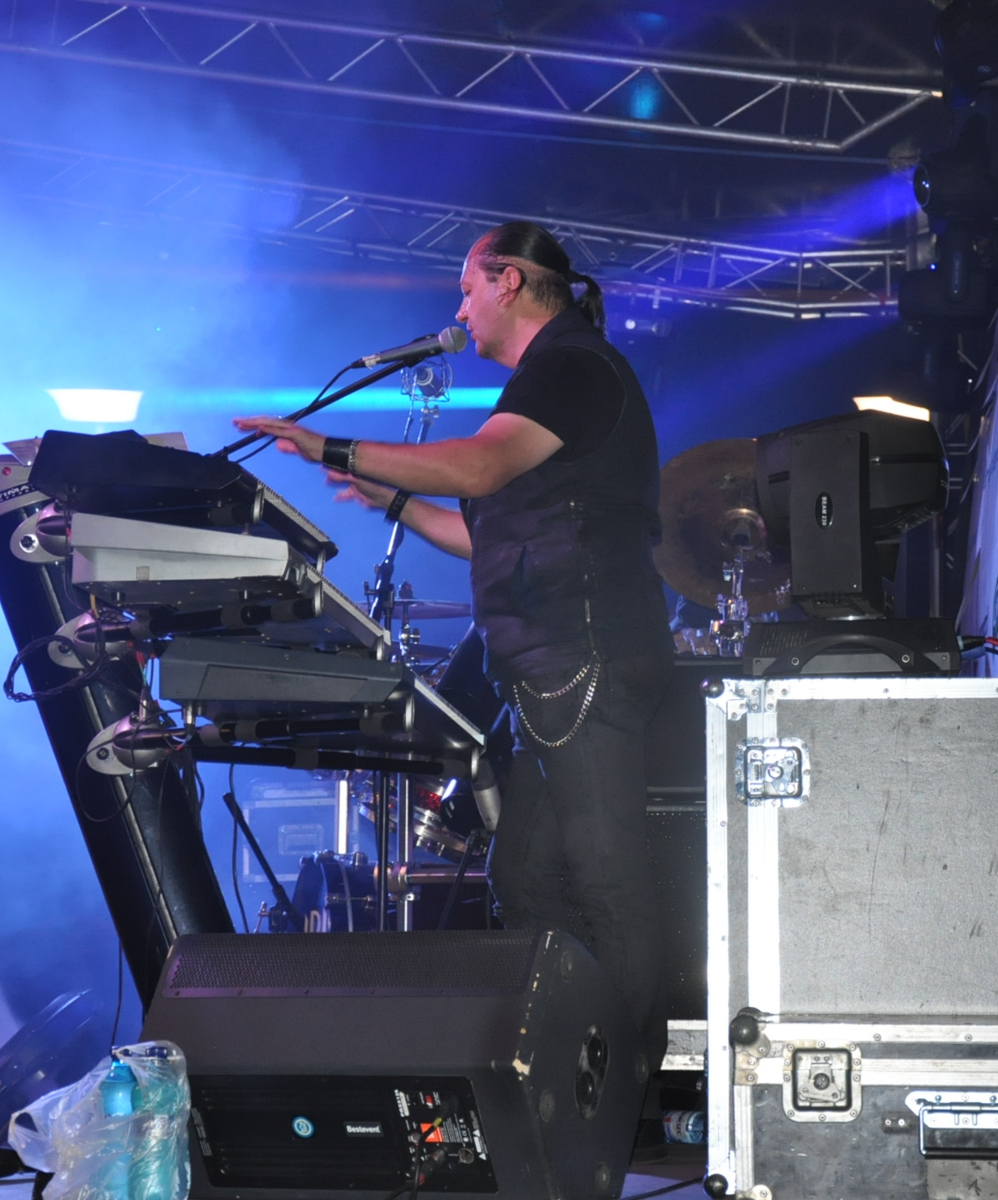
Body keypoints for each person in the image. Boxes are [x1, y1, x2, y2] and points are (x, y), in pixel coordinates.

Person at [234, 222, 674, 1053]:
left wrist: (332, 445)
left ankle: (622, 1080)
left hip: (586, 653)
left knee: (607, 878)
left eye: (468, 289)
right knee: (526, 874)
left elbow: (476, 467)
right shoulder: (546, 382)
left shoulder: (571, 367)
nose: (460, 309)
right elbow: (486, 534)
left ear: (509, 281)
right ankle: (568, 1057)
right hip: (548, 663)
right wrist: (394, 501)